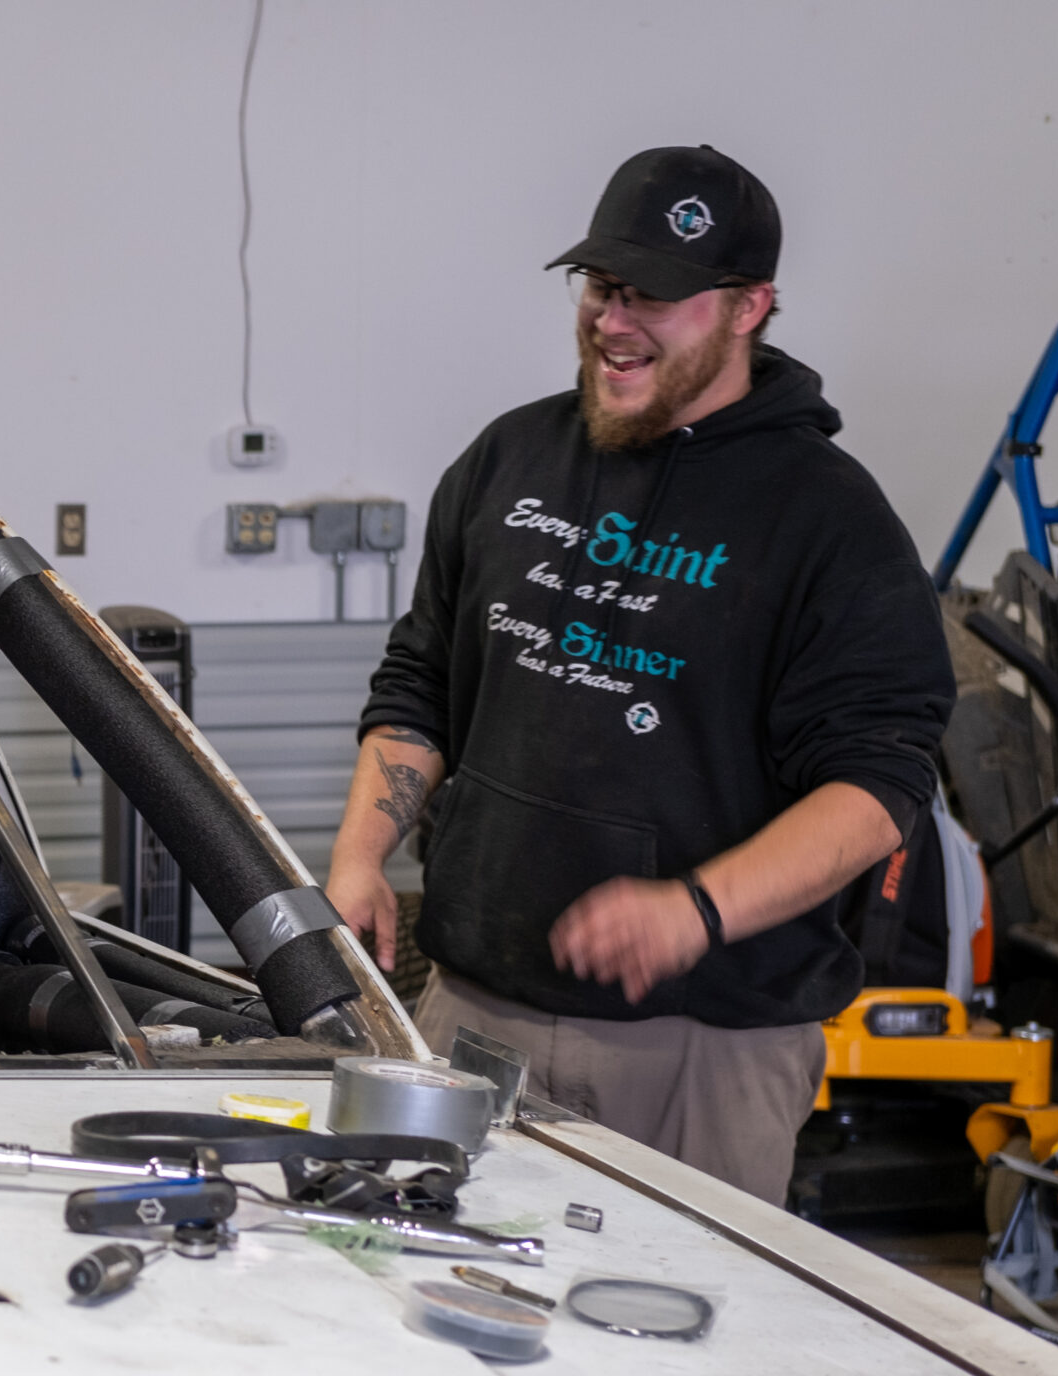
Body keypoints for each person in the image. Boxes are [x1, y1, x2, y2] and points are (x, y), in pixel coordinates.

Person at [325, 145, 955, 1204]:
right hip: (473, 1009)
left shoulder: (827, 519)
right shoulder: (507, 459)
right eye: (603, 287)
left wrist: (695, 909)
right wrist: (357, 857)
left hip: (701, 1051)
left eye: (654, 296)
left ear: (749, 306)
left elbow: (876, 788)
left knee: (669, 1347)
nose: (614, 321)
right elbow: (419, 682)